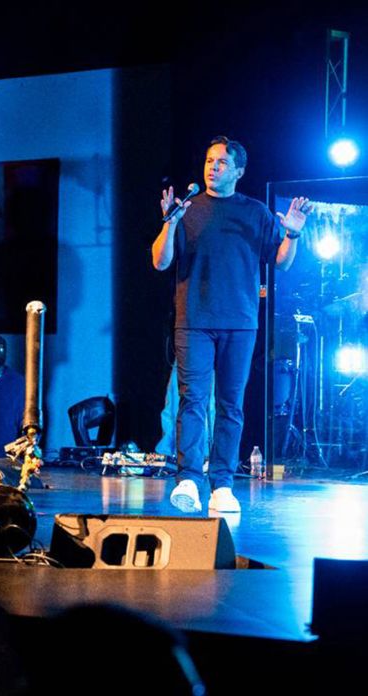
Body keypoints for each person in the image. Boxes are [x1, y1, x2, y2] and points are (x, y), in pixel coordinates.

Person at [152, 136, 311, 514]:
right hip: (194, 321)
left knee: (230, 405)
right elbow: (160, 262)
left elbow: (283, 262)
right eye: (209, 161)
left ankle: (222, 485)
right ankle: (189, 478)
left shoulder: (254, 212)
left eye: (222, 162)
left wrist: (293, 232)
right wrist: (169, 224)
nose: (213, 167)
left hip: (240, 323)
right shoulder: (186, 209)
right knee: (192, 401)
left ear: (238, 171)